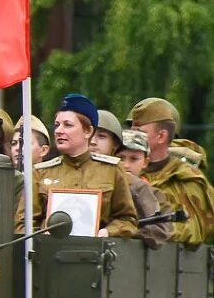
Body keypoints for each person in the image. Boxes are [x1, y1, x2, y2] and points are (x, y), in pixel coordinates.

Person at [20, 94, 139, 238]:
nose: (59, 131)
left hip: (96, 254)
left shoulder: (112, 170)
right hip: (49, 254)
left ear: (88, 131)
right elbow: (22, 224)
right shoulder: (41, 172)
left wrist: (107, 232)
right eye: (57, 125)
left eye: (68, 125)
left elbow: (128, 220)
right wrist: (41, 235)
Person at [128, 97, 214, 248]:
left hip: (166, 264)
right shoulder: (125, 170)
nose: (131, 137)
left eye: (139, 132)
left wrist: (156, 229)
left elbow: (195, 228)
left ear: (161, 136)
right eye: (131, 130)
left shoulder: (185, 178)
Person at [93, 115, 169, 246]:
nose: (126, 165)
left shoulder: (151, 193)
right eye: (121, 158)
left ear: (145, 162)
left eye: (133, 159)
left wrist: (127, 232)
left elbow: (159, 232)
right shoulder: (103, 184)